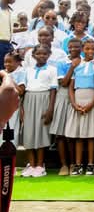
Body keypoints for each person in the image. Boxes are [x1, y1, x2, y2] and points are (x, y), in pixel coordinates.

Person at [21, 45, 58, 177]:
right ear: (33, 55)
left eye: (44, 54)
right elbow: (23, 90)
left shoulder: (52, 69)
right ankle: (31, 165)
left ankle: (40, 165)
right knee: (28, 133)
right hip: (29, 99)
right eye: (38, 54)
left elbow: (53, 90)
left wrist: (50, 109)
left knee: (41, 133)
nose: (41, 56)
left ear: (49, 55)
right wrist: (21, 108)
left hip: (44, 98)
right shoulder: (28, 70)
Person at [66, 40, 94, 175]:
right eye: (87, 49)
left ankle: (91, 164)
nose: (90, 51)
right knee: (79, 135)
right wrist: (74, 104)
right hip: (78, 99)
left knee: (91, 135)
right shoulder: (77, 65)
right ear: (82, 50)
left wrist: (92, 104)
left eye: (93, 49)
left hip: (91, 99)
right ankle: (78, 164)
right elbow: (71, 87)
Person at [51, 38, 82, 176]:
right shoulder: (62, 62)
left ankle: (74, 164)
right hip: (63, 97)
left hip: (79, 96)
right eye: (71, 47)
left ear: (81, 48)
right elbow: (63, 83)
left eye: (76, 47)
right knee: (60, 134)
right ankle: (64, 165)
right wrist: (72, 67)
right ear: (67, 48)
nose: (73, 49)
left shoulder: (85, 61)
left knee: (72, 135)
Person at [3, 52, 26, 147]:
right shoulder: (2, 72)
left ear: (18, 63)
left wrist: (8, 78)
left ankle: (11, 151)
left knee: (12, 129)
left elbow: (21, 91)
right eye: (5, 62)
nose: (7, 64)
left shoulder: (20, 73)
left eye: (10, 62)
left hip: (13, 106)